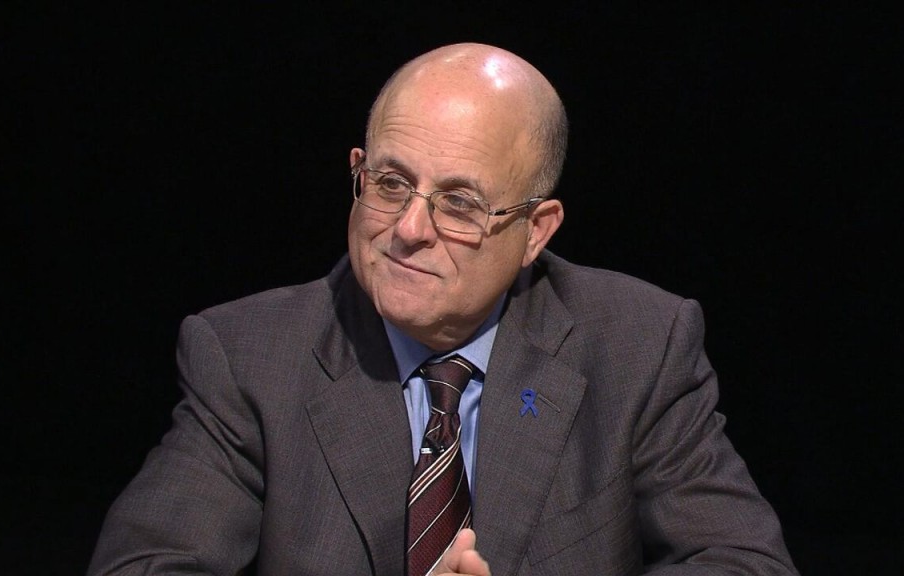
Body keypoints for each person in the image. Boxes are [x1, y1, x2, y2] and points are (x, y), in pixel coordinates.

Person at [88, 43, 799, 576]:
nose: (408, 229)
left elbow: (743, 563)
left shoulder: (637, 344)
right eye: (390, 183)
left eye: (459, 203)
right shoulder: (248, 356)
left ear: (536, 231)